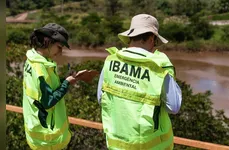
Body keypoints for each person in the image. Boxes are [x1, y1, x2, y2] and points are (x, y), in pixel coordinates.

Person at [97, 14, 182, 150]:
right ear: (151, 38)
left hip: (117, 145)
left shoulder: (111, 61)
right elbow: (174, 106)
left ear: (130, 37)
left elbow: (101, 99)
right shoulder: (159, 66)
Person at [22, 23, 94, 150]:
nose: (61, 52)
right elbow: (48, 101)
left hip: (37, 133)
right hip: (47, 139)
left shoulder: (32, 61)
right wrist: (66, 84)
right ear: (47, 42)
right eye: (59, 47)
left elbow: (45, 88)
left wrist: (65, 80)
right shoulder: (41, 68)